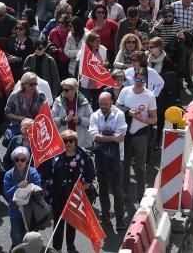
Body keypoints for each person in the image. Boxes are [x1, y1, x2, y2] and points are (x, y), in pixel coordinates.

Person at [46, 129, 96, 250]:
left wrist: (85, 185)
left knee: (72, 223)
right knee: (58, 224)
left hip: (75, 196)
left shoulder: (83, 155)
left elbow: (90, 174)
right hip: (58, 196)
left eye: (70, 140)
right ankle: (56, 248)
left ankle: (70, 246)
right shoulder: (55, 156)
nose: (68, 143)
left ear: (75, 142)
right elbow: (48, 174)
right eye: (65, 141)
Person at [117, 69, 156, 205]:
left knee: (140, 167)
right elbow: (117, 109)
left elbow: (154, 120)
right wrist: (128, 112)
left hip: (141, 134)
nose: (139, 83)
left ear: (146, 81)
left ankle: (141, 197)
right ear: (133, 79)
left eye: (142, 80)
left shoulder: (149, 96)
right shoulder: (125, 91)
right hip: (126, 134)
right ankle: (123, 193)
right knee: (124, 165)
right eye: (137, 79)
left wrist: (141, 119)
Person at [89, 91, 127, 229]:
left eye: (106, 104)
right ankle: (105, 218)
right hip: (100, 159)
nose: (103, 106)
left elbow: (121, 136)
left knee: (117, 190)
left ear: (112, 102)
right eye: (101, 104)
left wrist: (102, 136)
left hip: (116, 159)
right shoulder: (94, 115)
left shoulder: (120, 115)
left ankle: (120, 219)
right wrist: (111, 137)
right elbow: (94, 137)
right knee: (103, 189)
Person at [3, 146, 41, 247]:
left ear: (27, 160)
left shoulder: (33, 173)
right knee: (16, 234)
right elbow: (7, 194)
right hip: (15, 209)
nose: (20, 162)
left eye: (23, 160)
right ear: (14, 160)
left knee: (31, 235)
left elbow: (39, 190)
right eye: (17, 159)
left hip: (31, 209)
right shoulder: (9, 174)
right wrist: (17, 186)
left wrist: (28, 187)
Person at [51, 78, 93, 148]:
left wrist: (80, 120)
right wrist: (63, 120)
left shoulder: (84, 101)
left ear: (74, 90)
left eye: (66, 90)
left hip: (80, 141)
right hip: (64, 140)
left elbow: (91, 120)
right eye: (63, 89)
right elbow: (52, 121)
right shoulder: (57, 102)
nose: (64, 92)